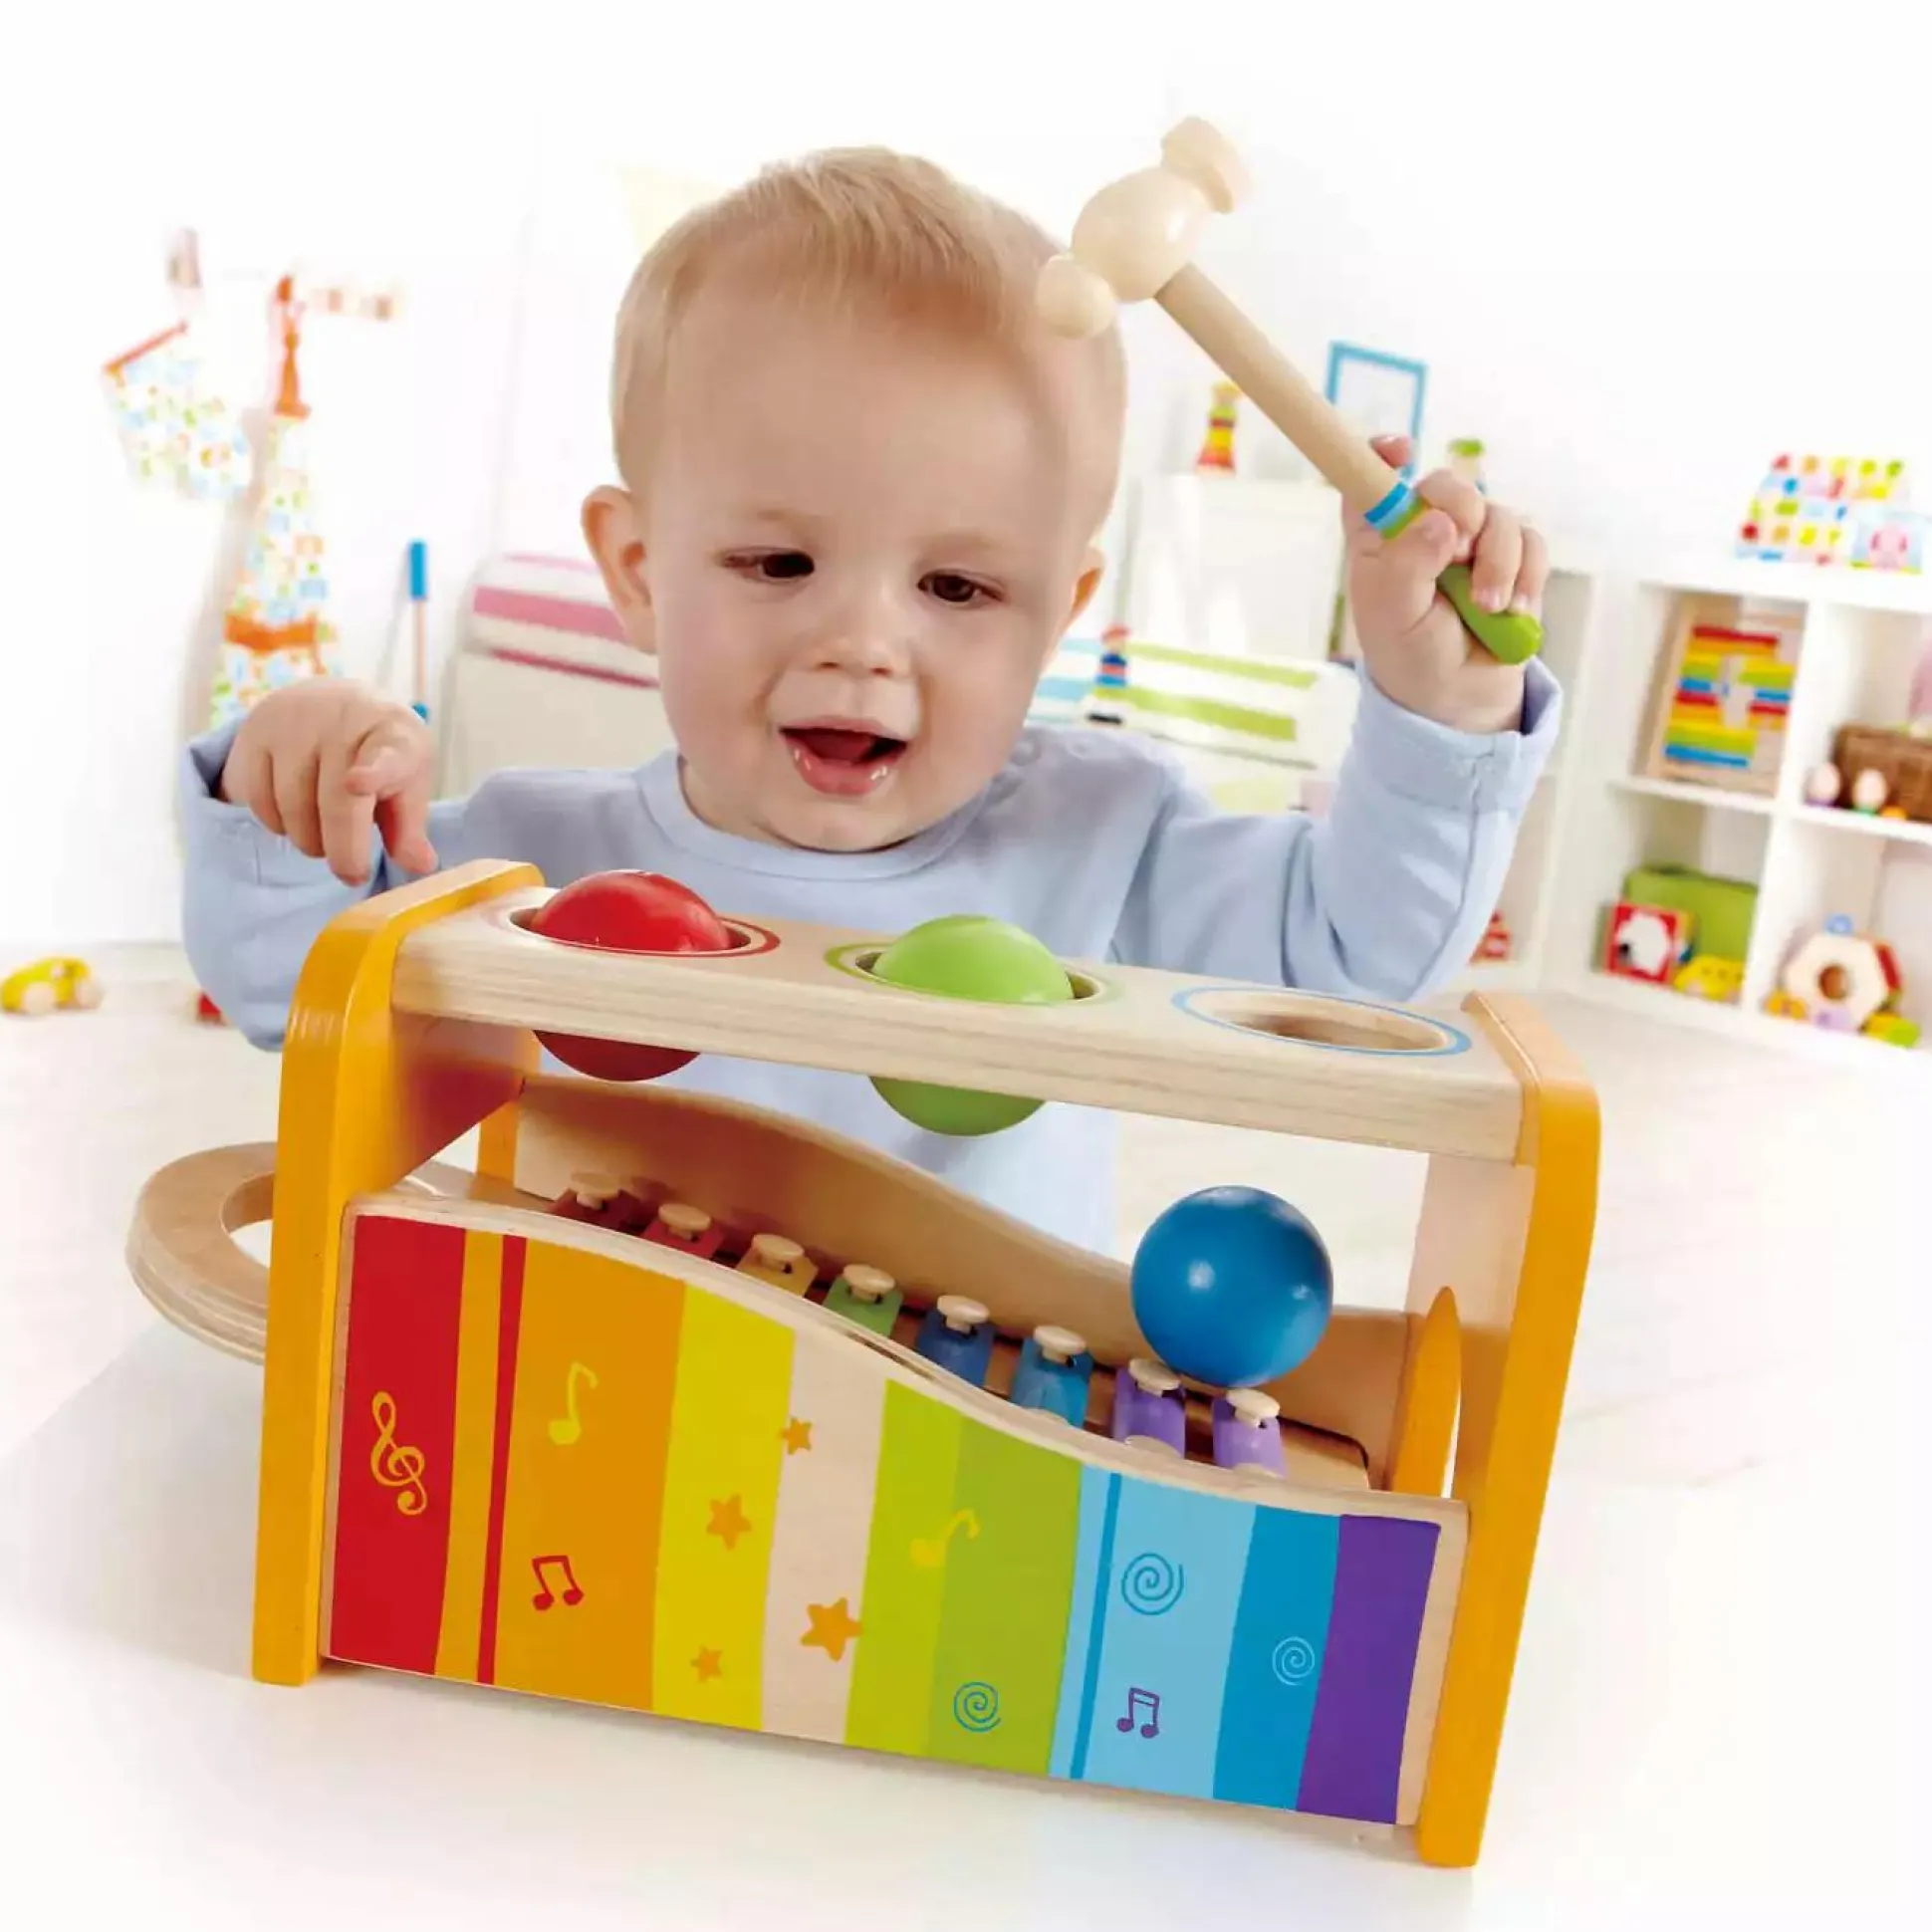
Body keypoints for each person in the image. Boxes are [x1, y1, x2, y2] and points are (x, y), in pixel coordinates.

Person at [180, 146, 1560, 1256]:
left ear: (1057, 617)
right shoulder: (537, 859)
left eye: (958, 587)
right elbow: (282, 982)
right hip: (599, 1435)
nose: (861, 645)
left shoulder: (1104, 836)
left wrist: (1437, 715)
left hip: (968, 1447)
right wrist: (285, 784)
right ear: (639, 572)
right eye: (780, 564)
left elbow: (1356, 960)